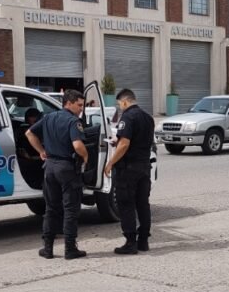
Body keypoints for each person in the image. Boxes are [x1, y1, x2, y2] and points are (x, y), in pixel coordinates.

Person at [26, 90, 89, 260]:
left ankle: (48, 249)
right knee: (70, 209)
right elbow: (77, 145)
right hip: (66, 168)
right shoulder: (73, 121)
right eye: (79, 105)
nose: (81, 109)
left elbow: (29, 133)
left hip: (50, 168)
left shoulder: (48, 117)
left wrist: (41, 151)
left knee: (51, 209)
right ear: (68, 103)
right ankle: (70, 249)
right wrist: (86, 157)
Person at [104, 88, 154, 255]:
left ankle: (130, 242)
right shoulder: (148, 117)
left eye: (120, 104)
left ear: (125, 102)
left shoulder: (128, 117)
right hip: (144, 167)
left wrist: (111, 162)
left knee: (126, 204)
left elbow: (124, 144)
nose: (120, 107)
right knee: (143, 204)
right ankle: (143, 241)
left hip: (128, 169)